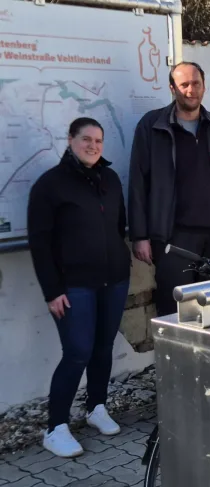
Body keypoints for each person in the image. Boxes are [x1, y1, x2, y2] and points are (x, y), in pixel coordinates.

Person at [28, 118, 132, 458]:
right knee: (77, 353)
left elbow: (119, 227)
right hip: (74, 286)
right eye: (85, 139)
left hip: (114, 279)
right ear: (70, 139)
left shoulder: (111, 179)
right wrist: (52, 291)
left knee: (103, 347)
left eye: (98, 140)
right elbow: (40, 244)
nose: (93, 146)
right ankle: (55, 427)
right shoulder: (50, 185)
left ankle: (96, 407)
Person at [128, 61, 210, 316]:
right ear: (172, 88)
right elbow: (138, 182)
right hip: (172, 237)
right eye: (184, 84)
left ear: (204, 87)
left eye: (196, 83)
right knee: (175, 308)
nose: (190, 90)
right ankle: (177, 357)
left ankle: (209, 357)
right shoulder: (152, 126)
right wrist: (140, 235)